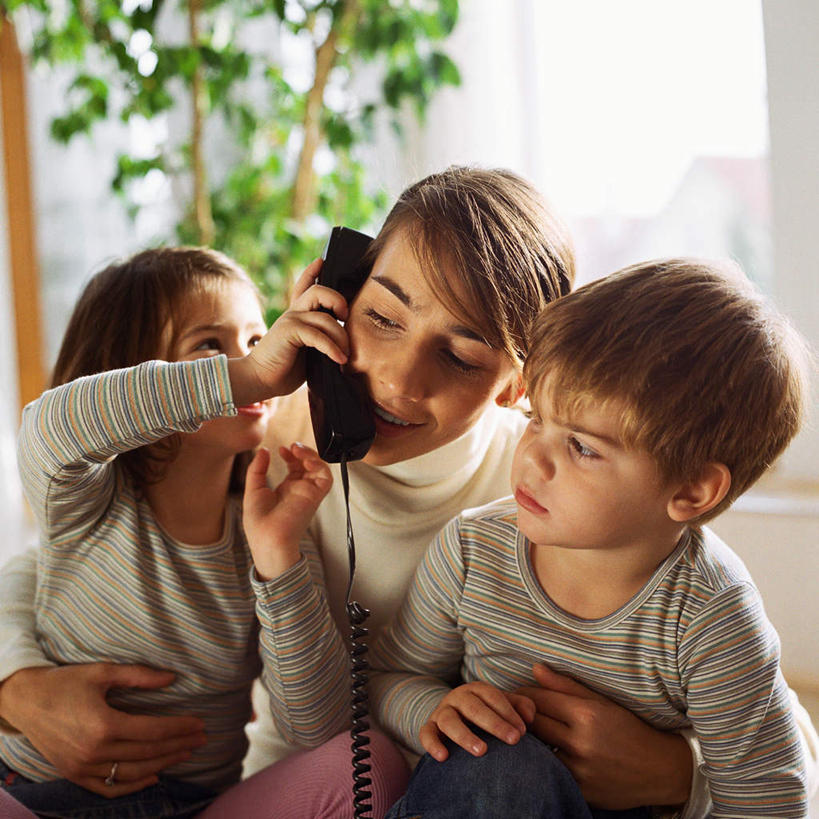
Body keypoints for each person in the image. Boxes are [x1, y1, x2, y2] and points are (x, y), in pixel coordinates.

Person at [0, 169, 815, 818]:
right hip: (312, 781)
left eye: (459, 357)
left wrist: (682, 770)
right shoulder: (258, 439)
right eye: (382, 318)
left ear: (519, 382)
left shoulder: (551, 488)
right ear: (338, 288)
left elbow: (766, 720)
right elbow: (57, 562)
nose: (395, 377)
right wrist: (13, 686)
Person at [368, 259, 812, 818]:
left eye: (581, 446)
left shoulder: (712, 616)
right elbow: (388, 679)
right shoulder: (471, 551)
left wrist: (685, 784)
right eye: (536, 419)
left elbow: (771, 800)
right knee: (496, 768)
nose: (532, 457)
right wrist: (435, 706)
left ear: (693, 490)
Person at [0, 246, 407, 817]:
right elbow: (51, 424)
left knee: (373, 764)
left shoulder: (268, 526)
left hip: (193, 807)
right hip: (36, 795)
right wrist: (247, 374)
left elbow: (318, 725)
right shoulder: (86, 503)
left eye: (255, 338)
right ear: (137, 376)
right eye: (210, 345)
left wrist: (278, 557)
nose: (258, 358)